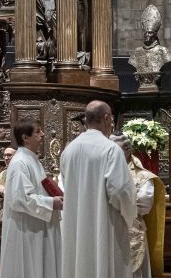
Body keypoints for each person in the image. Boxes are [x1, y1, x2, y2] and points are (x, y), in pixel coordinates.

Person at [60, 100, 138, 278]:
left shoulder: (68, 151)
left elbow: (66, 187)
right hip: (106, 223)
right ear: (106, 118)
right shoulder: (111, 149)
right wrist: (130, 214)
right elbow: (120, 190)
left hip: (76, 224)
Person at [0, 119, 62, 278]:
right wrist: (51, 202)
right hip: (26, 230)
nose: (42, 134)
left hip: (35, 227)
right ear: (25, 137)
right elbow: (19, 199)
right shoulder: (20, 162)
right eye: (38, 131)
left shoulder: (31, 159)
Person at [111, 134, 166, 278]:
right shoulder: (104, 171)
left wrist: (114, 202)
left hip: (132, 230)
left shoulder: (144, 176)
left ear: (128, 149)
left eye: (113, 148)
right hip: (108, 229)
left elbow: (144, 204)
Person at [128, 4, 171, 73]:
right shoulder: (137, 52)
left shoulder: (163, 51)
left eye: (150, 33)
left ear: (155, 35)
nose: (147, 35)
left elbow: (168, 60)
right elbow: (132, 62)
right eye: (146, 32)